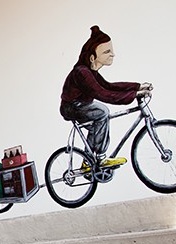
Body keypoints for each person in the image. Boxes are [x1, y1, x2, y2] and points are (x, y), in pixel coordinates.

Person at [60, 25, 152, 168]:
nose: (112, 55)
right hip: (72, 107)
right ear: (92, 57)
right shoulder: (82, 73)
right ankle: (101, 159)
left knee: (98, 123)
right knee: (102, 112)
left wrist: (137, 86)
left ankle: (88, 163)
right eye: (107, 52)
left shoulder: (91, 71)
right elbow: (103, 94)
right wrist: (134, 95)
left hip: (79, 106)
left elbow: (108, 86)